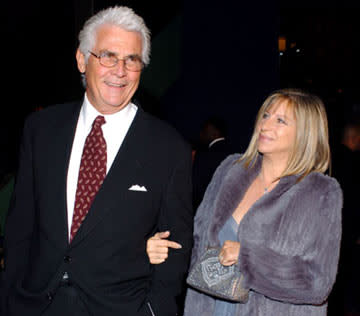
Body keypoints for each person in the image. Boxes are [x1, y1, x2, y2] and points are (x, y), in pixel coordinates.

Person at [1, 6, 193, 316]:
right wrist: (10, 298)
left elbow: (176, 247)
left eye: (132, 60)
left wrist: (153, 310)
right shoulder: (41, 129)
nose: (120, 70)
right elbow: (21, 226)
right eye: (108, 56)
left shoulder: (169, 148)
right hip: (35, 304)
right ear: (82, 59)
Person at [147, 89, 342, 316]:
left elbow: (317, 284)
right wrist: (163, 249)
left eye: (280, 120)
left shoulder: (320, 193)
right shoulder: (230, 171)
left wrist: (248, 258)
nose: (265, 125)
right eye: (266, 116)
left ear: (305, 133)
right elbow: (196, 240)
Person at [192, 117, 234, 209]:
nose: (201, 134)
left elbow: (196, 188)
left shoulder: (204, 156)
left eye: (205, 130)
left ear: (215, 133)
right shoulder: (235, 154)